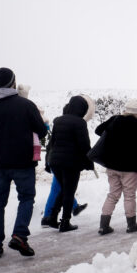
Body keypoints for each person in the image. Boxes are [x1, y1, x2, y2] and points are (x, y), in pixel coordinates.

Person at [0, 67, 48, 259]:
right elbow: (41, 131)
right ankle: (19, 235)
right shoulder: (25, 105)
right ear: (12, 82)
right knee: (26, 198)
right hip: (22, 162)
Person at [41, 93, 94, 228]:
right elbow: (84, 145)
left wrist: (48, 161)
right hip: (71, 163)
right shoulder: (80, 123)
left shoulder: (58, 120)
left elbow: (52, 142)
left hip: (56, 162)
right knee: (69, 191)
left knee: (64, 189)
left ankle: (53, 217)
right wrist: (89, 162)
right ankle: (65, 222)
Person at [96, 98, 137, 235]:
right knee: (129, 196)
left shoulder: (115, 119)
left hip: (112, 165)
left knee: (112, 195)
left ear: (126, 109)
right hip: (129, 167)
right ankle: (131, 224)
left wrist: (112, 135)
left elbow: (98, 130)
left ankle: (103, 225)